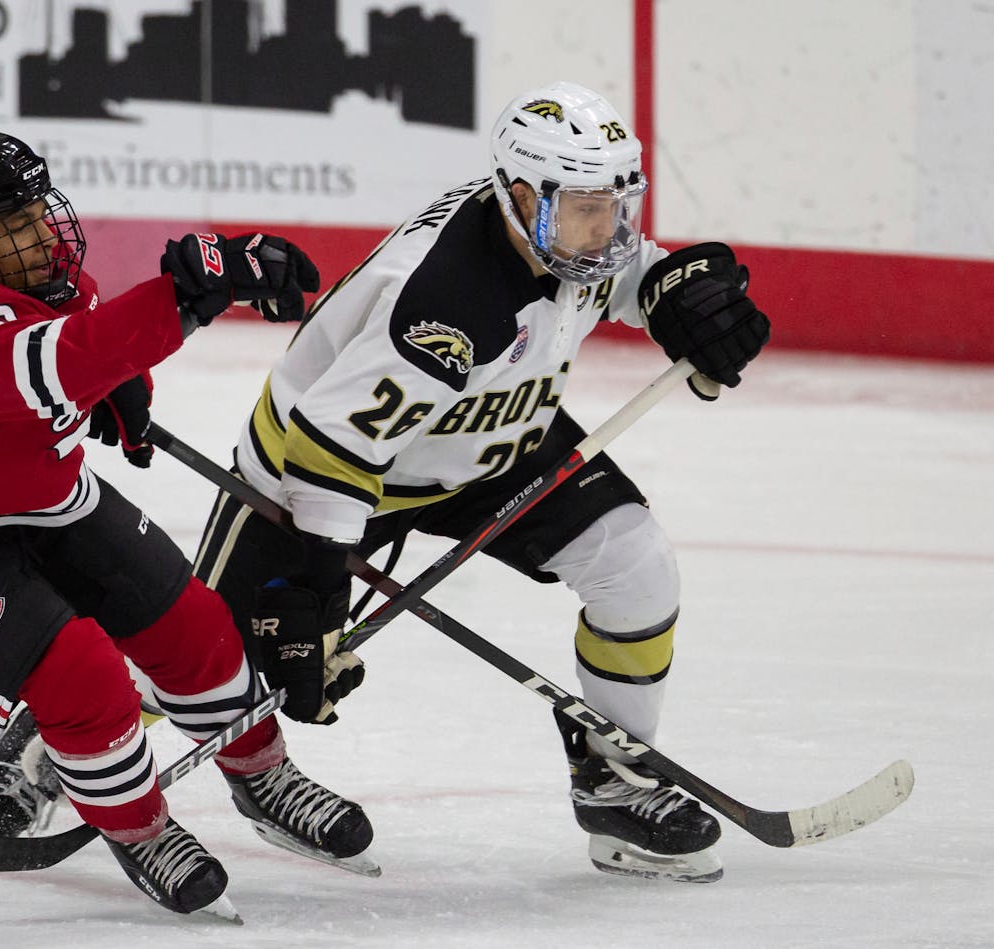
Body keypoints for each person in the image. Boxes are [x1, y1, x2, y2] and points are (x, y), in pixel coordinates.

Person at [0, 129, 374, 920]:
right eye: (20, 226)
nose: (47, 235)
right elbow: (55, 356)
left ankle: (261, 775)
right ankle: (141, 828)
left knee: (193, 623)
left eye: (37, 212)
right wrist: (183, 300)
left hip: (19, 488)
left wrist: (122, 379)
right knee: (81, 676)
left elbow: (63, 324)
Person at [190, 81, 771, 884]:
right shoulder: (446, 299)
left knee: (636, 566)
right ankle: (53, 744)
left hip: (493, 441)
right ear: (522, 196)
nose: (607, 229)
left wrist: (680, 295)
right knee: (190, 653)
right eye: (586, 208)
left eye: (615, 203)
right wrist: (313, 590)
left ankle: (613, 781)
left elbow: (630, 271)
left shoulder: (563, 232)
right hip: (323, 469)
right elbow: (333, 445)